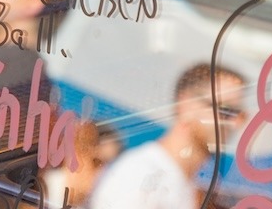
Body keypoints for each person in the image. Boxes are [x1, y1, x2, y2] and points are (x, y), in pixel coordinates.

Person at [88, 63, 247, 209]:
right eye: (225, 110)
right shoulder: (140, 176)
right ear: (186, 105)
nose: (234, 124)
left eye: (239, 114)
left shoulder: (183, 183)